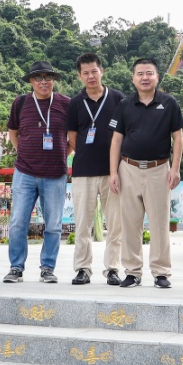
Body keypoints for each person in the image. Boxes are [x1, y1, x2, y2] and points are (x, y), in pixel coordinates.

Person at [108, 58, 183, 288]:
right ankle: (132, 272)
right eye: (140, 74)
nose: (144, 78)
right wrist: (113, 172)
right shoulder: (124, 105)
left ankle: (161, 272)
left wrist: (175, 168)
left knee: (160, 223)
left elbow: (178, 137)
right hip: (128, 169)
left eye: (149, 73)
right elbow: (116, 140)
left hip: (159, 170)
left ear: (157, 77)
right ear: (133, 78)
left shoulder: (169, 103)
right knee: (130, 224)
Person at [5, 60, 71, 283]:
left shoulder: (66, 103)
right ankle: (16, 267)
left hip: (55, 173)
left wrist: (63, 153)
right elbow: (13, 131)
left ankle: (48, 268)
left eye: (48, 77)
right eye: (38, 77)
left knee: (53, 225)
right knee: (18, 222)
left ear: (53, 80)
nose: (43, 81)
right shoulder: (21, 102)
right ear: (31, 81)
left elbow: (73, 137)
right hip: (25, 172)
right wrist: (22, 151)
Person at [67, 53, 123, 285]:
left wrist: (116, 168)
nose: (90, 76)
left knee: (115, 224)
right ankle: (83, 268)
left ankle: (113, 269)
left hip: (113, 173)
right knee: (82, 224)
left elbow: (124, 133)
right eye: (85, 73)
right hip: (83, 171)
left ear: (102, 71)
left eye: (94, 71)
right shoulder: (75, 103)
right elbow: (72, 138)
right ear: (79, 76)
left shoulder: (118, 98)